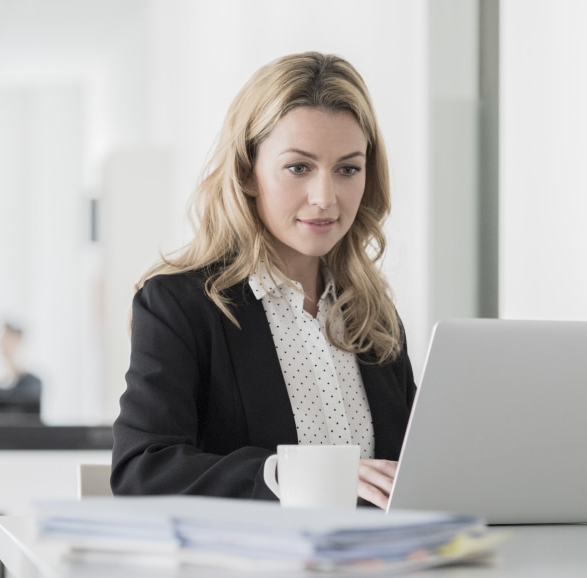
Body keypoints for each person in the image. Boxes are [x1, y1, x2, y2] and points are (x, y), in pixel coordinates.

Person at [111, 52, 416, 509]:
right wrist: (298, 476)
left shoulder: (374, 317)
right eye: (299, 167)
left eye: (348, 169)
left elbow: (410, 471)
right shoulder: (179, 306)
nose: (325, 198)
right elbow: (142, 469)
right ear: (246, 173)